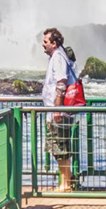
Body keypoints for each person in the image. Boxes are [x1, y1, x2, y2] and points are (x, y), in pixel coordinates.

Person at [39, 27, 84, 188]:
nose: (42, 45)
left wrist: (57, 109)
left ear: (54, 43)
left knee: (60, 146)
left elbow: (61, 82)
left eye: (45, 42)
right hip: (57, 111)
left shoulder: (58, 57)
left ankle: (65, 184)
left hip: (59, 111)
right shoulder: (57, 56)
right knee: (56, 146)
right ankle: (69, 178)